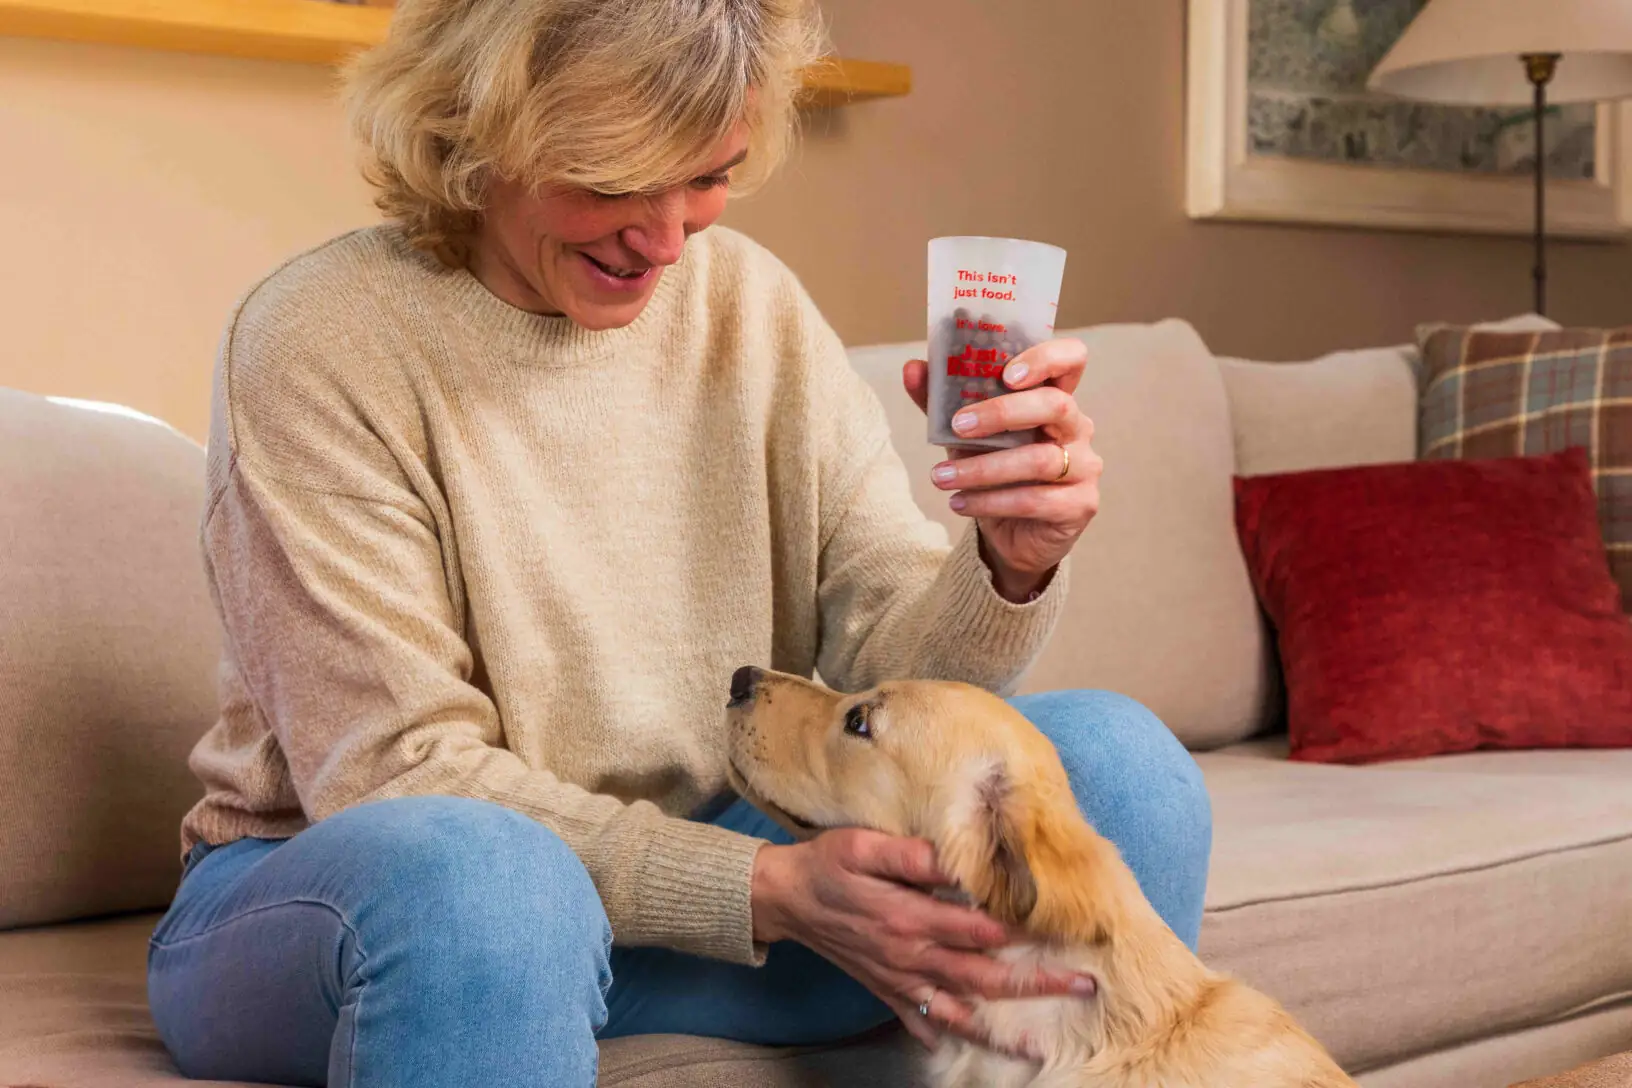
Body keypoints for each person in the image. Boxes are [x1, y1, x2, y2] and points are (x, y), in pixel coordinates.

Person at [144, 0, 1212, 1084]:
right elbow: (394, 774)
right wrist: (761, 886)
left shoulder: (750, 305)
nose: (664, 241)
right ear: (477, 130)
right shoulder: (320, 340)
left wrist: (1008, 562)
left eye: (706, 176)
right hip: (372, 893)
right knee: (496, 892)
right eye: (612, 179)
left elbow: (886, 677)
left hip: (707, 873)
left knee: (1122, 771)